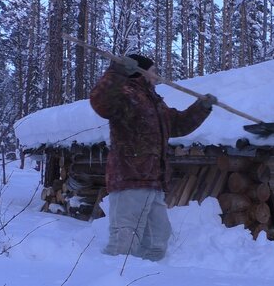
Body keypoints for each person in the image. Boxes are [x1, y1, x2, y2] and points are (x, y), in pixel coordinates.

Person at [89, 54, 216, 261]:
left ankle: (146, 278)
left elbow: (178, 125)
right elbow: (101, 103)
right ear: (141, 71)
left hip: (153, 181)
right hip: (130, 177)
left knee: (158, 240)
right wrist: (117, 70)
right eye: (154, 70)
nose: (157, 75)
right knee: (124, 241)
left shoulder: (153, 101)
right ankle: (110, 278)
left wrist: (201, 108)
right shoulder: (125, 93)